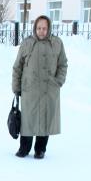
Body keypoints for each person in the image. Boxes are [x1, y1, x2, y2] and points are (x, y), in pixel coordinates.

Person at [12, 14, 68, 159]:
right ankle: (24, 148)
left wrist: (59, 81)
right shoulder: (27, 43)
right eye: (39, 28)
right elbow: (17, 67)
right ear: (35, 28)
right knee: (28, 121)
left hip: (49, 89)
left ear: (48, 28)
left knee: (45, 119)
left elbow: (63, 64)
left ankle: (40, 149)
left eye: (44, 28)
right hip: (30, 89)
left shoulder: (57, 43)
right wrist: (16, 87)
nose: (41, 31)